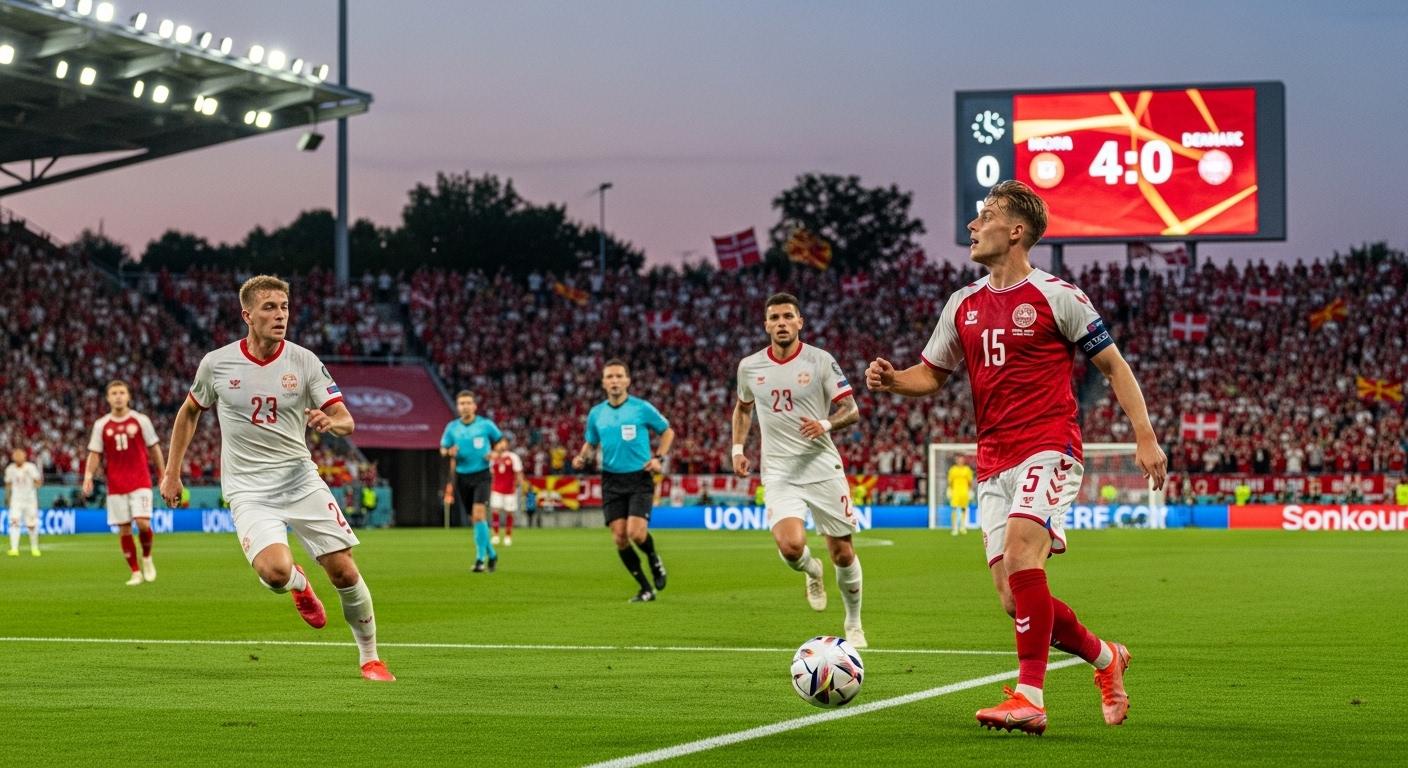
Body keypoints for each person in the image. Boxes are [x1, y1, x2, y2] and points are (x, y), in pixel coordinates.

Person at [866, 180, 1166, 734]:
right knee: (1013, 597)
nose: (973, 227)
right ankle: (1106, 657)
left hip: (1049, 446)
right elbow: (930, 374)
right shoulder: (963, 303)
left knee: (1025, 555)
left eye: (985, 217)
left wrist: (1144, 437)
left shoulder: (1059, 296)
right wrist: (891, 381)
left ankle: (1030, 697)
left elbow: (1114, 367)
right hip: (993, 461)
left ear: (1017, 230)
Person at [159, 274, 394, 682]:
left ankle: (370, 657)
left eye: (284, 307)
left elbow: (346, 419)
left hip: (300, 480)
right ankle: (299, 583)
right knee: (274, 572)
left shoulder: (304, 361)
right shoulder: (216, 363)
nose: (280, 315)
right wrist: (171, 472)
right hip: (248, 489)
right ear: (246, 314)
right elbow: (190, 412)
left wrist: (331, 421)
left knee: (343, 571)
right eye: (269, 307)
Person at [731, 293, 867, 648]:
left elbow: (851, 409)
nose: (780, 323)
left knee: (842, 551)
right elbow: (743, 409)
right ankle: (811, 570)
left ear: (799, 322)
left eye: (787, 316)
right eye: (773, 317)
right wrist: (737, 448)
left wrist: (825, 424)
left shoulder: (820, 361)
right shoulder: (750, 367)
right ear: (765, 325)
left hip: (821, 466)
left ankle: (853, 622)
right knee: (790, 546)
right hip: (779, 471)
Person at [573, 359, 675, 603]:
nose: (615, 381)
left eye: (619, 376)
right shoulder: (596, 413)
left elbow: (668, 431)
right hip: (611, 479)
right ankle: (645, 588)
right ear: (603, 383)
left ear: (628, 380)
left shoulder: (641, 408)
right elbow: (591, 442)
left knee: (636, 533)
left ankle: (654, 559)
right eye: (610, 377)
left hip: (639, 476)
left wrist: (659, 457)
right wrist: (581, 457)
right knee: (619, 537)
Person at [83, 380, 165, 583]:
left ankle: (146, 557)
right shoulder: (101, 425)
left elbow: (154, 448)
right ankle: (135, 572)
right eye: (114, 393)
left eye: (122, 392)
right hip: (116, 484)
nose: (118, 396)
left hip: (140, 481)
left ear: (128, 396)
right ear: (108, 398)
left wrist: (164, 474)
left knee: (143, 524)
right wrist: (88, 475)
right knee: (124, 528)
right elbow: (95, 453)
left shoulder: (140, 420)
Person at [441, 391, 503, 572]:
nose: (465, 406)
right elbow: (443, 449)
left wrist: (496, 453)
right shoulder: (452, 428)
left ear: (475, 406)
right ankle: (492, 554)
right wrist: (449, 451)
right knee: (475, 519)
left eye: (468, 402)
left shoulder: (485, 425)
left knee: (479, 515)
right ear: (458, 406)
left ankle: (479, 560)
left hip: (482, 475)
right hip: (462, 476)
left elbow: (500, 442)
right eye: (462, 403)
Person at [5, 447, 42, 557]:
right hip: (16, 500)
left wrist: (33, 486)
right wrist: (8, 497)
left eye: (20, 456)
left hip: (30, 500)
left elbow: (38, 482)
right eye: (16, 456)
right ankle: (14, 548)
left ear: (24, 457)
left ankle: (34, 548)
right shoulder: (10, 469)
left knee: (31, 524)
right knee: (14, 523)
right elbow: (8, 484)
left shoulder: (30, 467)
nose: (18, 458)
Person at [489, 435, 525, 546]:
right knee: (495, 511)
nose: (502, 445)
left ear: (507, 444)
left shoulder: (513, 457)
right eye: (500, 443)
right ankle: (495, 535)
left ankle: (508, 535)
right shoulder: (492, 457)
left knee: (510, 512)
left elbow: (518, 472)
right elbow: (490, 474)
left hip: (510, 490)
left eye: (504, 443)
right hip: (496, 489)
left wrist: (521, 485)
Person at [948, 454, 975, 536]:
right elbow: (950, 482)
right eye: (958, 459)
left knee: (964, 509)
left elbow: (970, 482)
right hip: (955, 492)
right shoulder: (952, 470)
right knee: (954, 509)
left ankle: (962, 527)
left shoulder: (967, 470)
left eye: (961, 459)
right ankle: (954, 528)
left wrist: (970, 491)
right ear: (956, 461)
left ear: (964, 461)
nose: (960, 461)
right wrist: (949, 490)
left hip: (964, 492)